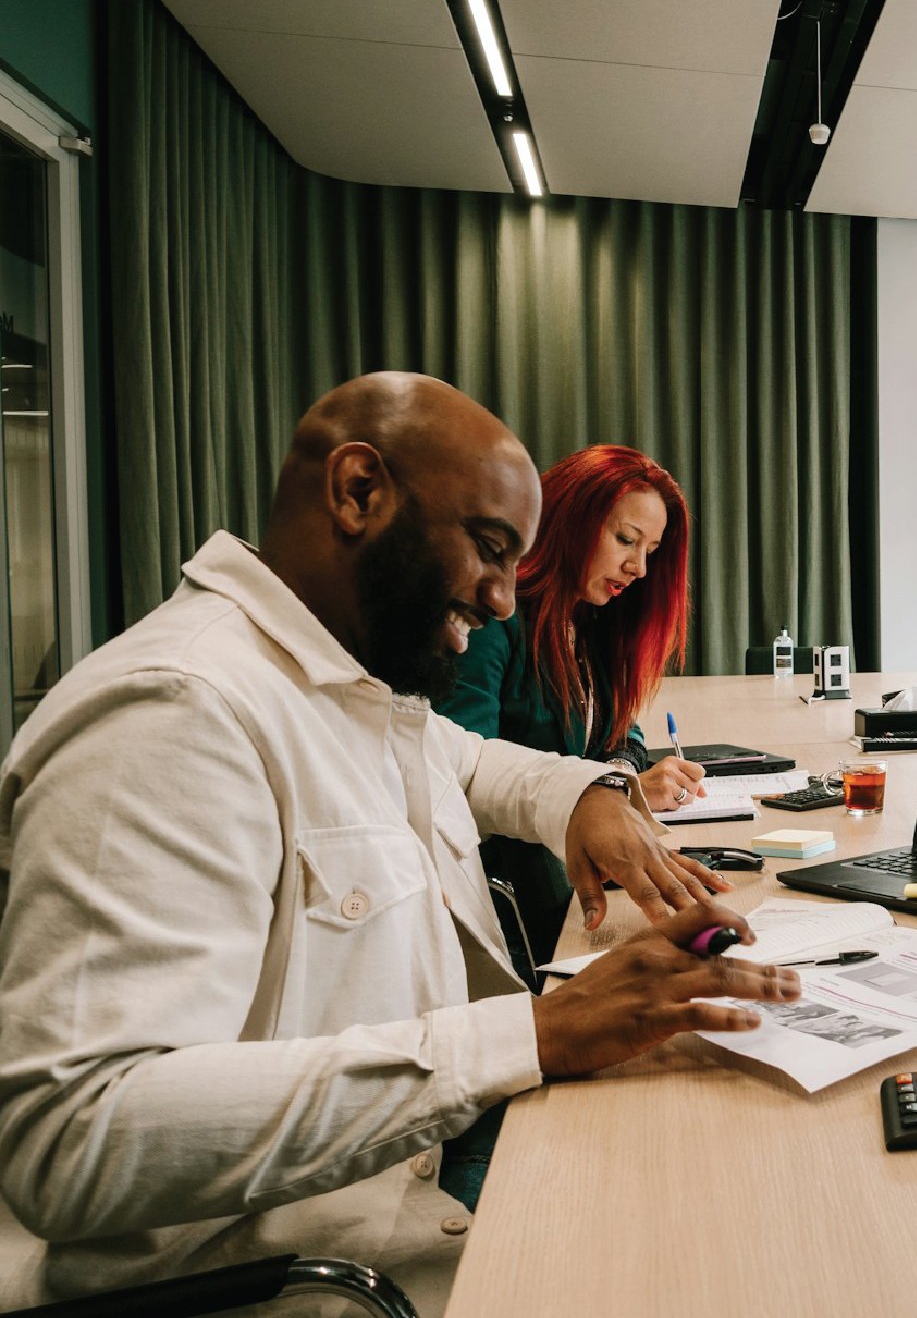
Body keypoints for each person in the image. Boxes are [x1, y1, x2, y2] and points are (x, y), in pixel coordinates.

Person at [0, 373, 801, 1315]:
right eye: (491, 549)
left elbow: (468, 761)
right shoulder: (176, 709)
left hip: (417, 1164)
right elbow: (74, 1138)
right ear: (357, 493)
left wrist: (585, 793)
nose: (506, 598)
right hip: (318, 1264)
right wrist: (533, 1033)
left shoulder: (347, 682)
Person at [441, 445, 710, 970]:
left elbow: (623, 734)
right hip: (510, 906)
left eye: (651, 550)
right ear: (567, 521)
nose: (638, 567)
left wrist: (616, 779)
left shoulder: (592, 621)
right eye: (626, 540)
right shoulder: (494, 619)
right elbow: (459, 770)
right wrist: (597, 798)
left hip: (569, 885)